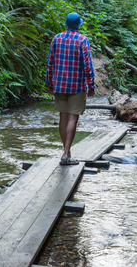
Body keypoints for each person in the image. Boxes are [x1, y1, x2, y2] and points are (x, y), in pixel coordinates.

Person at [46, 12, 95, 165]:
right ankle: (66, 153)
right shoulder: (83, 40)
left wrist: (49, 83)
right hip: (77, 85)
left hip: (59, 84)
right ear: (79, 25)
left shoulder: (56, 38)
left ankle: (65, 151)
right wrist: (91, 84)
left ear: (66, 24)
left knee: (63, 117)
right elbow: (87, 65)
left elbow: (50, 63)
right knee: (73, 118)